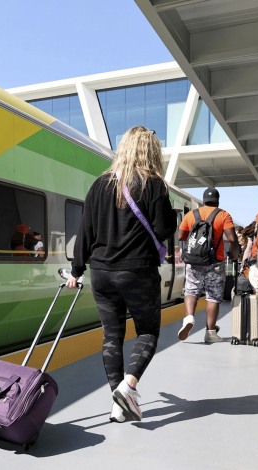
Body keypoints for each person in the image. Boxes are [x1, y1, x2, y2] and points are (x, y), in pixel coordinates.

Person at [65, 126, 177, 423]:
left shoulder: (99, 184)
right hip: (138, 270)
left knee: (112, 336)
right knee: (148, 332)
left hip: (101, 272)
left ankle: (118, 403)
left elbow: (85, 232)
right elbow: (165, 230)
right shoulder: (154, 185)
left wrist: (76, 271)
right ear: (151, 152)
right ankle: (128, 386)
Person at [176, 187, 239, 343]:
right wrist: (234, 255)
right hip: (215, 262)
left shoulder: (191, 214)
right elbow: (231, 239)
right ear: (217, 200)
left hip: (193, 261)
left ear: (203, 200)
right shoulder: (223, 215)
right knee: (213, 296)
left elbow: (181, 235)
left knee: (191, 290)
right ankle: (210, 332)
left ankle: (189, 317)